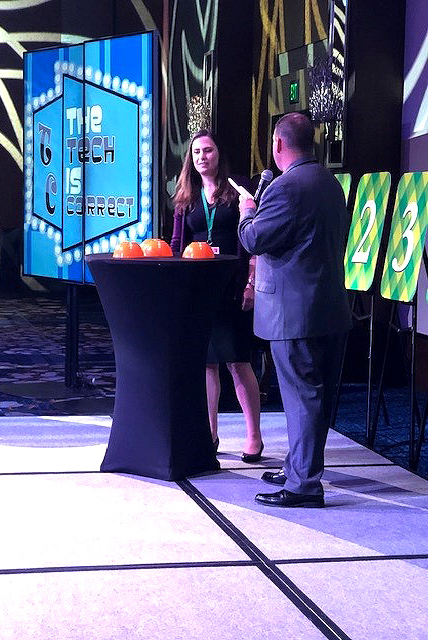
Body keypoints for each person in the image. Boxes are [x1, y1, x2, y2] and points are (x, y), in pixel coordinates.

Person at [238, 112, 352, 507]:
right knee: (314, 397)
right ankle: (298, 467)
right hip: (330, 309)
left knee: (302, 398)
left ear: (278, 145)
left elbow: (254, 238)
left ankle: (304, 485)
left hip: (294, 314)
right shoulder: (331, 184)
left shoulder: (286, 188)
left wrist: (247, 209)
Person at [171, 129, 262, 461]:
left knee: (238, 362)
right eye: (196, 153)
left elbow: (251, 241)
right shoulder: (186, 195)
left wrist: (251, 283)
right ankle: (209, 434)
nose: (201, 157)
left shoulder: (238, 189)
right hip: (198, 288)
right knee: (207, 364)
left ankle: (254, 436)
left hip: (232, 286)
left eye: (207, 151)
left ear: (219, 154)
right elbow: (178, 244)